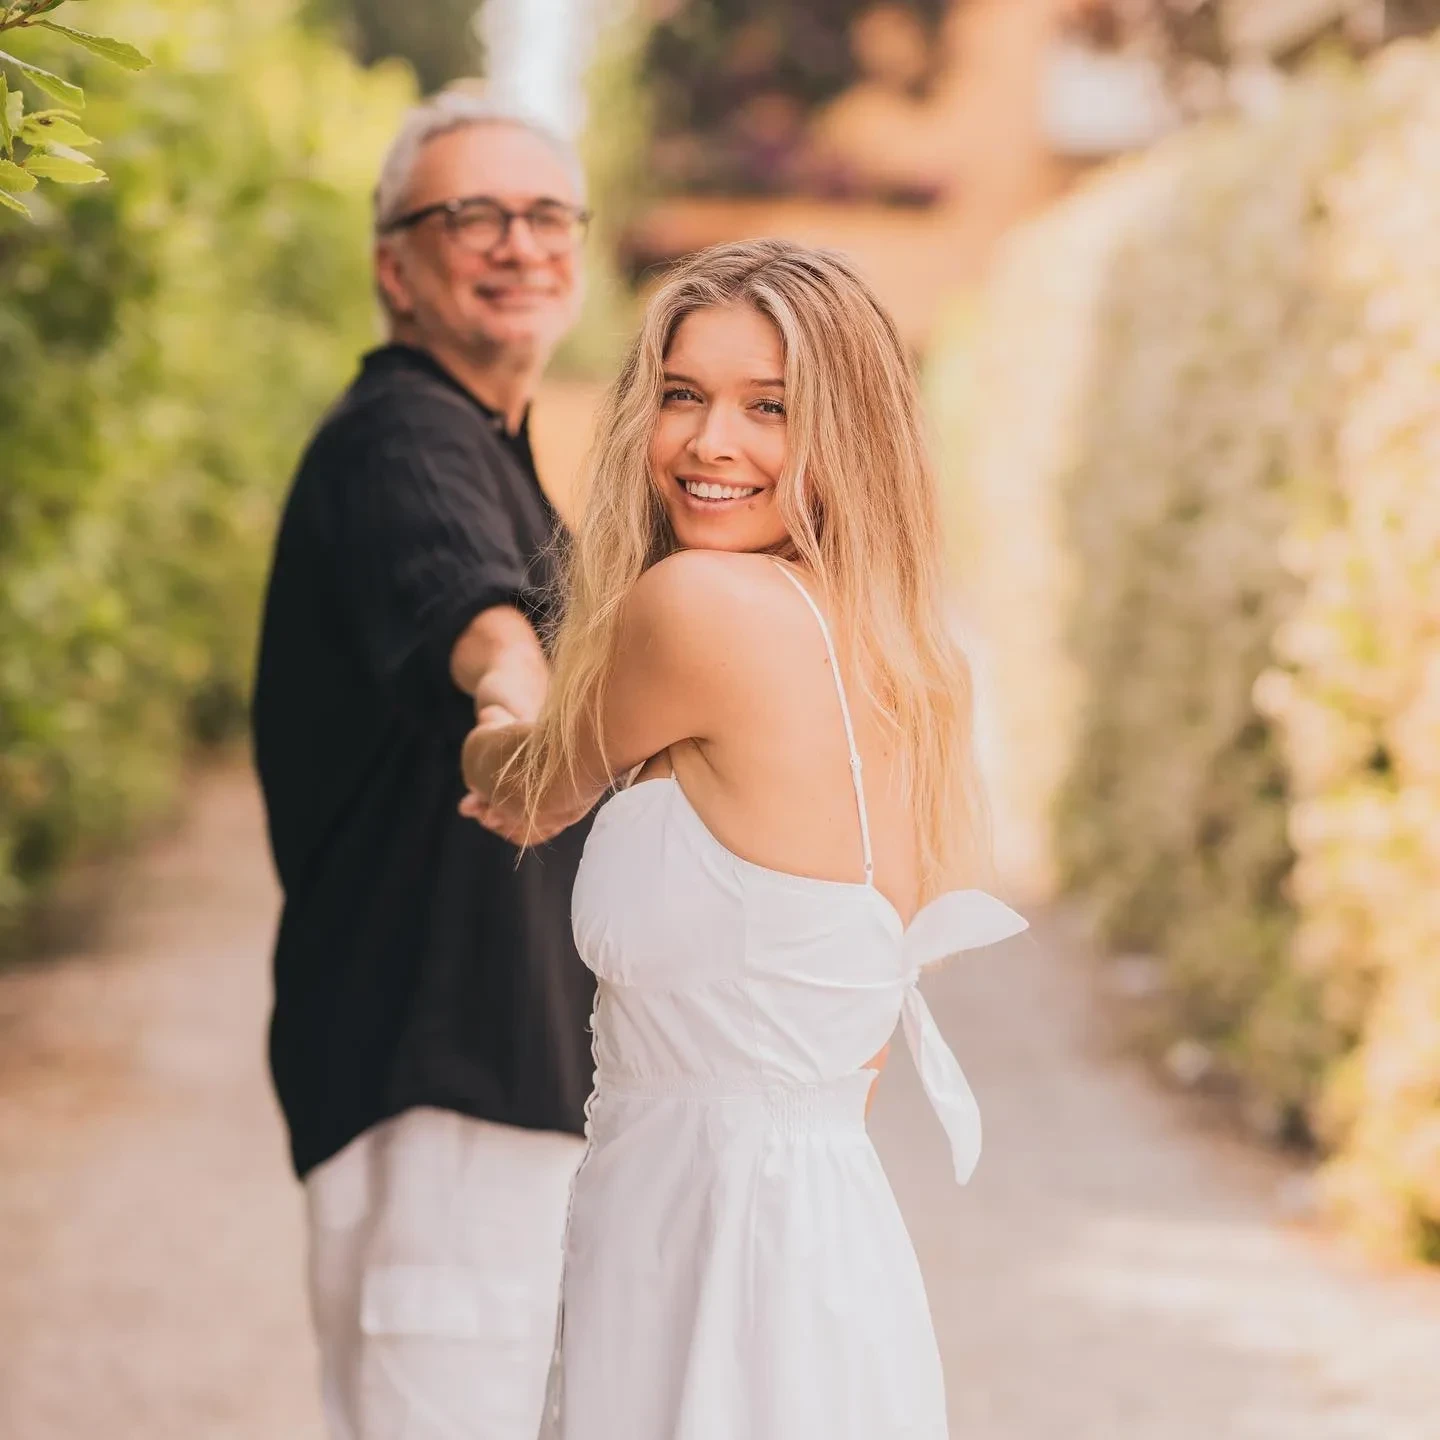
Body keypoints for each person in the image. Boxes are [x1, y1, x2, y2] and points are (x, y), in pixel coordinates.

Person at [460, 239, 1028, 1440]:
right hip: (829, 1251)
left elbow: (531, 792)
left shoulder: (696, 606)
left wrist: (500, 684)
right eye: (683, 394)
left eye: (770, 406)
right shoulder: (912, 663)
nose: (710, 442)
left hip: (704, 1240)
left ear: (849, 431)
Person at [251, 91, 596, 1440]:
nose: (521, 242)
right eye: (474, 215)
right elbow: (477, 619)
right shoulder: (400, 434)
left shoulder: (494, 448)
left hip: (495, 1081)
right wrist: (519, 710)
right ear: (395, 266)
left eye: (547, 213)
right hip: (444, 1087)